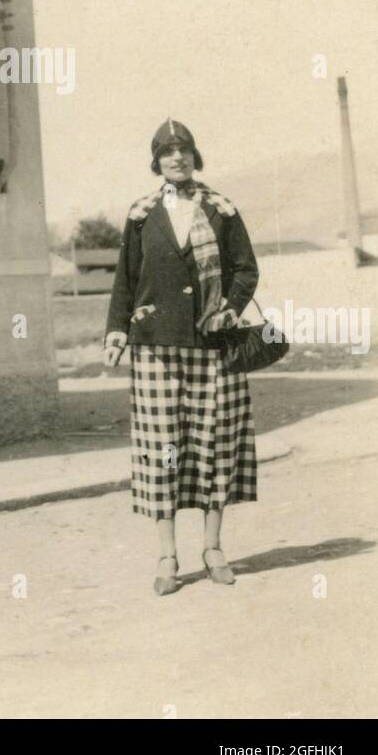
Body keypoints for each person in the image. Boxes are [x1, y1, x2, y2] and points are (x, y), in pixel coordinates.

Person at [102, 119, 259, 595]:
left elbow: (245, 270)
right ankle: (167, 556)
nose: (178, 158)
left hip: (214, 344)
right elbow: (125, 281)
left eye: (185, 150)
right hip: (153, 347)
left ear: (195, 155)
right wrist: (115, 331)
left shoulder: (221, 209)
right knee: (161, 449)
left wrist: (229, 310)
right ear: (157, 161)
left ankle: (213, 549)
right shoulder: (141, 214)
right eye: (168, 152)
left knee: (217, 443)